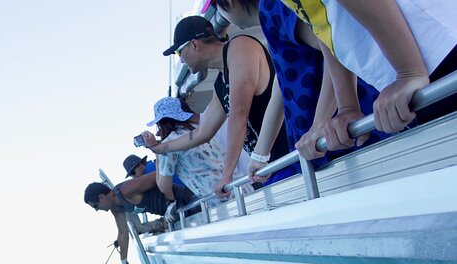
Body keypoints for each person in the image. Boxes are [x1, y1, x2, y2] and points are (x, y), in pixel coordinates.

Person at [208, 0, 385, 183]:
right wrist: (260, 154)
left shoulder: (277, 7)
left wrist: (319, 123)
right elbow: (281, 85)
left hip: (346, 137)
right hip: (330, 142)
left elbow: (334, 45)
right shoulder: (271, 15)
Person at [276, 0, 457, 158]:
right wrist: (347, 106)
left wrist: (409, 71)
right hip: (420, 67)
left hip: (436, 48)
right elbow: (324, 22)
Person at [144, 15, 289, 198]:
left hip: (294, 156)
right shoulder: (220, 83)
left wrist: (226, 176)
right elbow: (202, 132)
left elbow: (239, 113)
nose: (181, 61)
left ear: (194, 44)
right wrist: (160, 148)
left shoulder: (239, 47)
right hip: (272, 168)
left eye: (180, 53)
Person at [84, 175, 194, 264]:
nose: (97, 210)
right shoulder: (116, 208)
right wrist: (124, 262)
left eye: (95, 206)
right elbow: (123, 233)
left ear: (102, 197)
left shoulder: (126, 190)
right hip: (177, 214)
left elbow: (158, 175)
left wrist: (170, 203)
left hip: (186, 200)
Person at [145, 96, 231, 198]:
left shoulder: (168, 145)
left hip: (222, 198)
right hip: (241, 185)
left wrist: (156, 150)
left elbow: (164, 187)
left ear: (160, 122)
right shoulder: (201, 128)